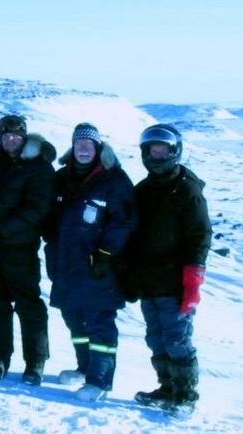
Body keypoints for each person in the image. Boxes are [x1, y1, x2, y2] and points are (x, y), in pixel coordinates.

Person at [44, 123, 136, 401]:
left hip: (100, 266)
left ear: (98, 148)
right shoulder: (61, 178)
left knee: (99, 322)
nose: (83, 148)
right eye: (79, 143)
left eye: (89, 144)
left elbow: (124, 222)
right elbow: (49, 214)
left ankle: (100, 381)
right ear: (72, 147)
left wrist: (107, 253)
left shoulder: (115, 179)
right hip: (66, 265)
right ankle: (84, 368)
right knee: (74, 319)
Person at [128, 124, 212, 410]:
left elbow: (200, 236)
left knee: (178, 339)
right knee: (156, 338)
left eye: (163, 149)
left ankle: (186, 395)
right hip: (149, 280)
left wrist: (193, 277)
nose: (157, 154)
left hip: (176, 281)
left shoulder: (188, 190)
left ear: (174, 151)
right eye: (153, 149)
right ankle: (167, 388)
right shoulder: (143, 190)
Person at [0, 114, 56, 386]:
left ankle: (35, 362)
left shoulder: (39, 167)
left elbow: (38, 209)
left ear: (24, 137)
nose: (11, 140)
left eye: (16, 136)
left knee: (29, 304)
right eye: (6, 135)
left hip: (20, 248)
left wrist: (4, 230)